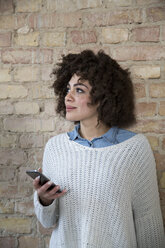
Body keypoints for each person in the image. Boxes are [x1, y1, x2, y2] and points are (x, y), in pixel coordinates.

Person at [33, 50, 165, 248]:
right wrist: (44, 199)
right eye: (67, 89)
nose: (67, 98)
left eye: (79, 90)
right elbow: (47, 221)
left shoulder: (134, 148)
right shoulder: (55, 147)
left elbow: (148, 222)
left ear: (103, 95)